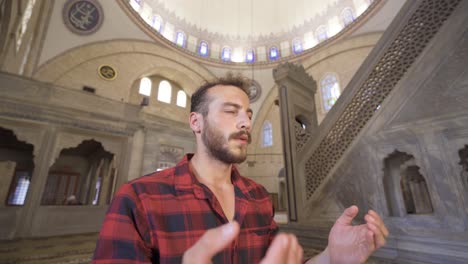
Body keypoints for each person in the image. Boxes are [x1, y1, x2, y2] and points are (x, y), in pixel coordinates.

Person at [92, 74, 389, 264]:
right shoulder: (140, 198)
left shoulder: (257, 196)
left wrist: (331, 257)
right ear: (196, 122)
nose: (246, 123)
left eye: (247, 114)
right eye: (231, 112)